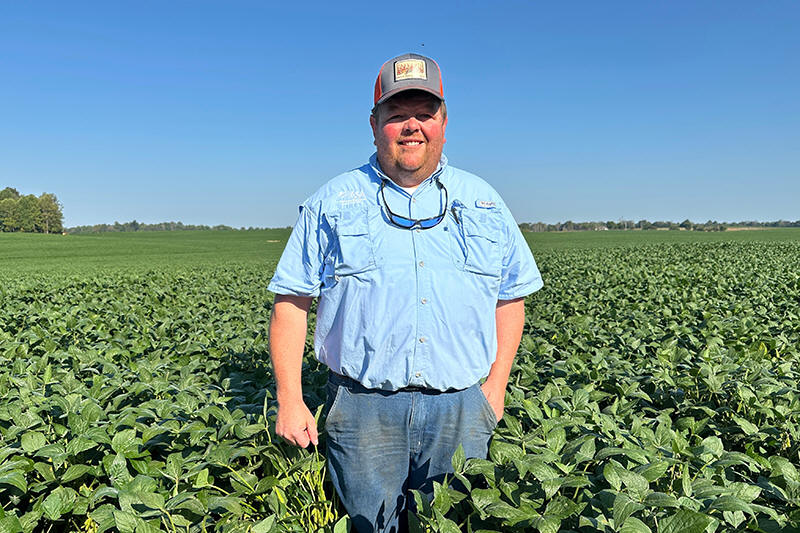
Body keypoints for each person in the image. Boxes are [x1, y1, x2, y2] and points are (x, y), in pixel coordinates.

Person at [267, 53, 543, 532]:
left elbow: (510, 297)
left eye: (424, 114)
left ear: (443, 124)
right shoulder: (332, 202)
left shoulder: (483, 201)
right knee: (371, 527)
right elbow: (291, 303)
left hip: (460, 408)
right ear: (374, 125)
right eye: (396, 114)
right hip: (362, 409)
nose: (412, 126)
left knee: (453, 523)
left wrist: (495, 388)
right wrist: (290, 399)